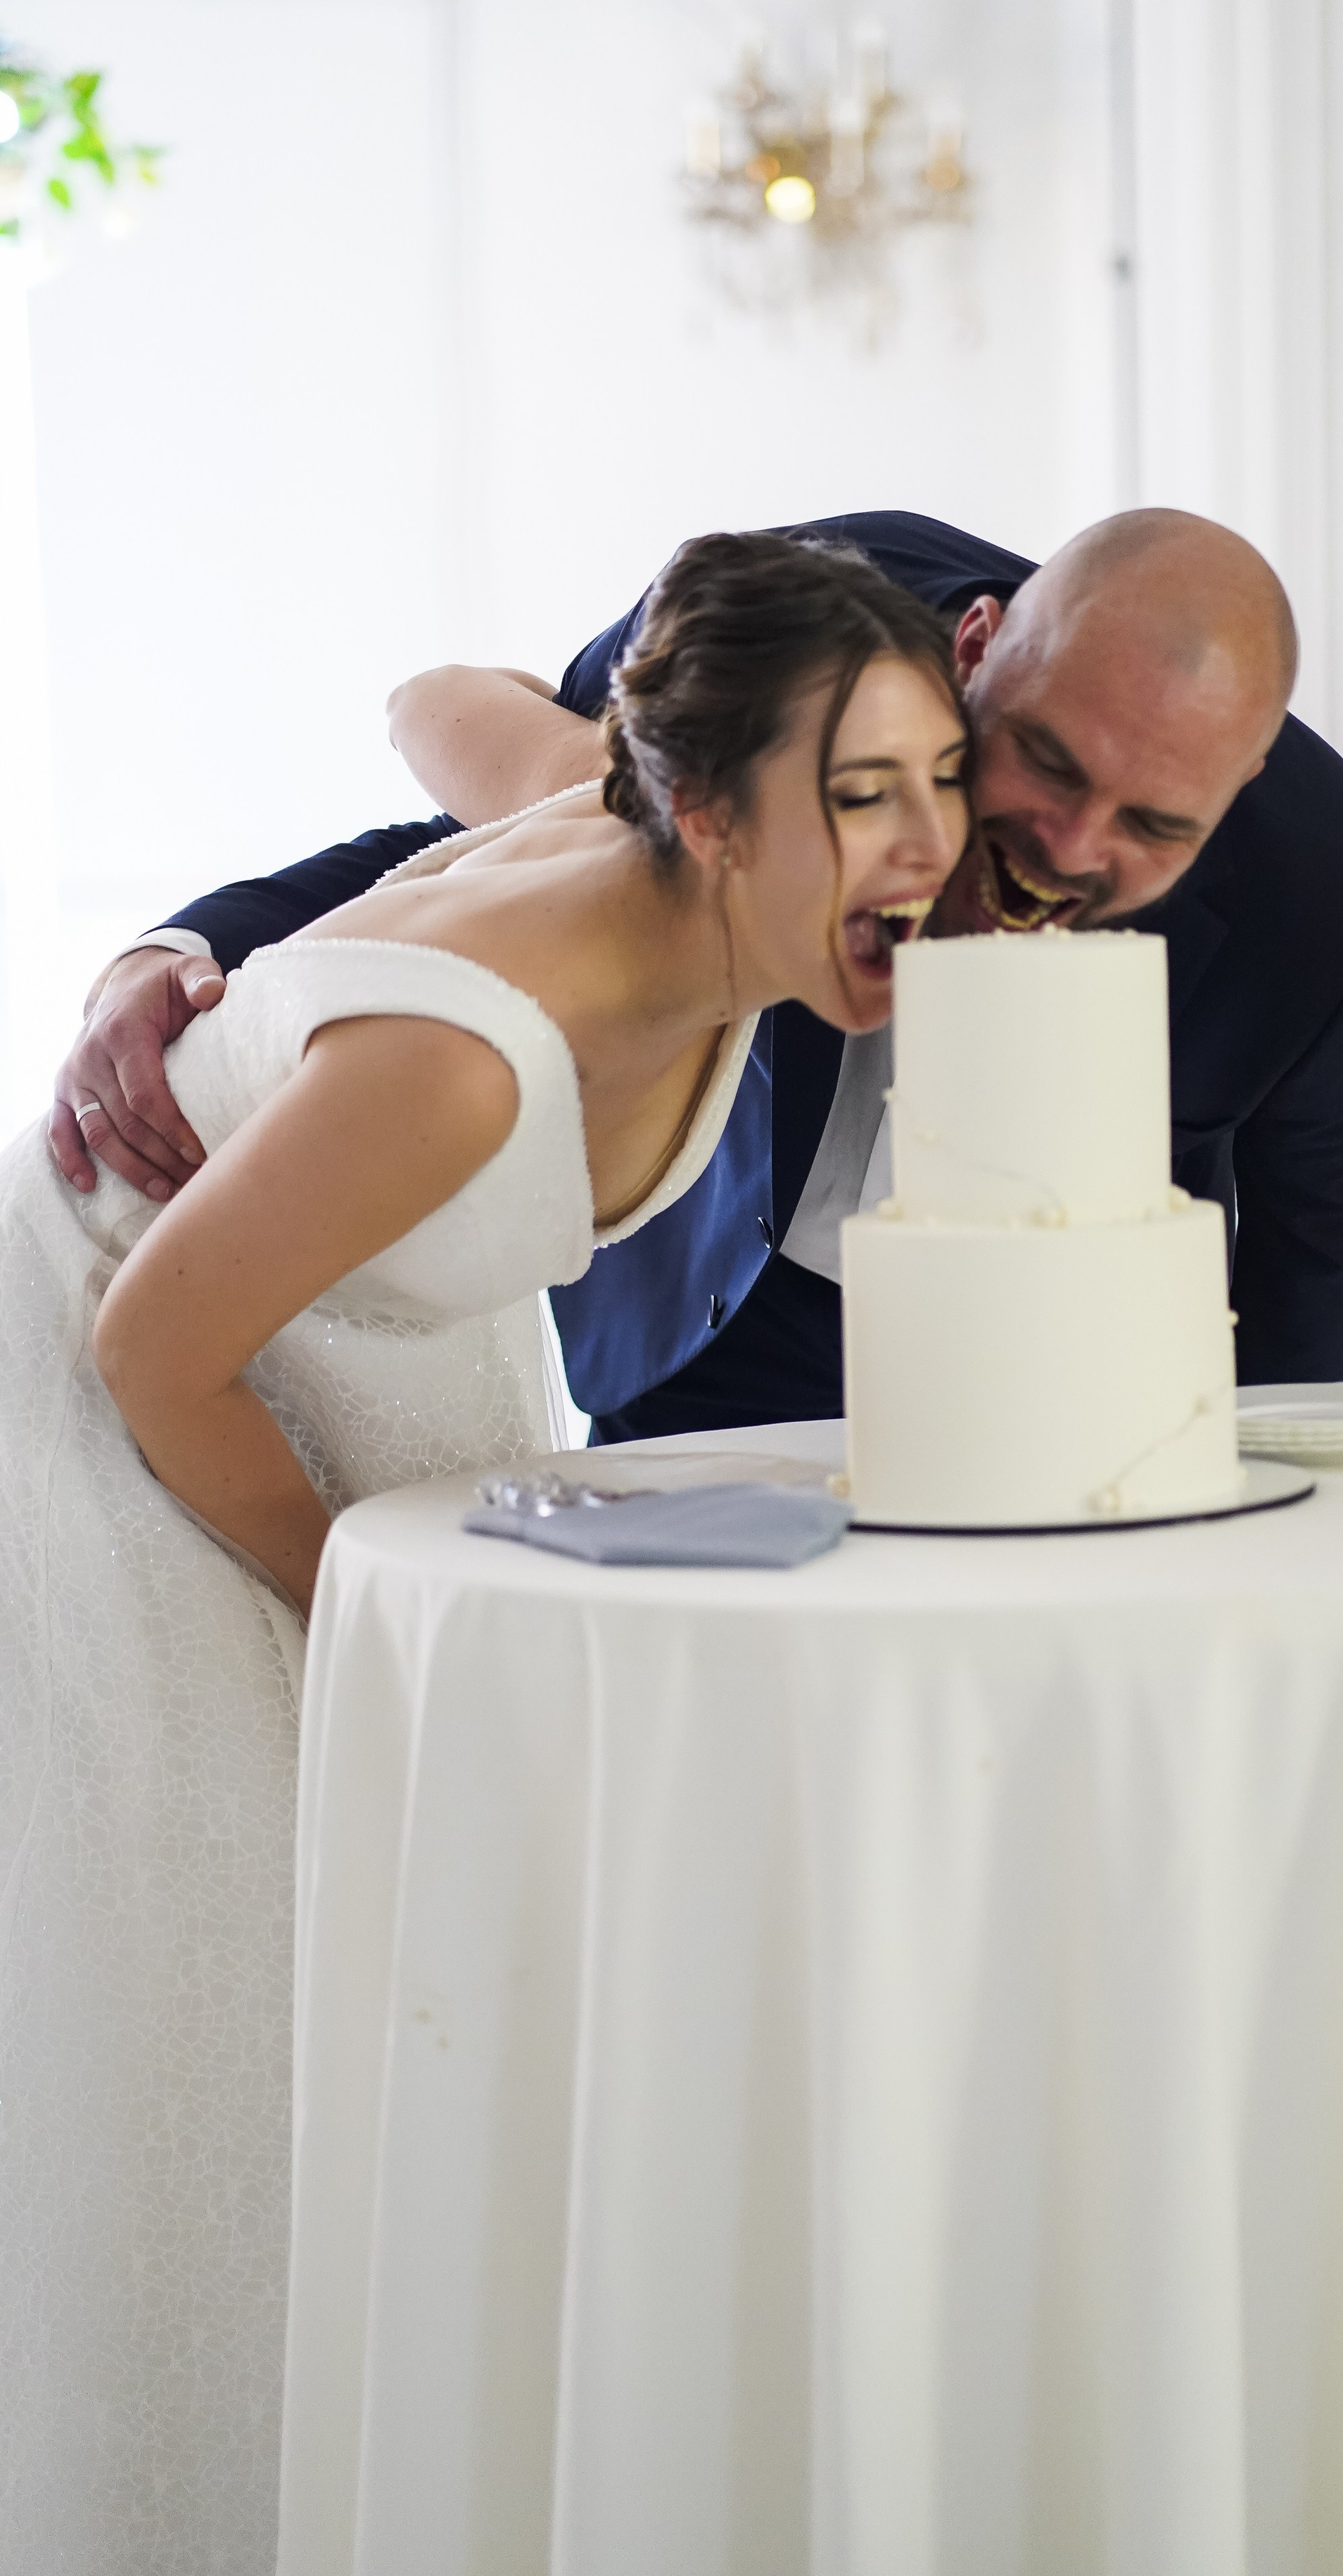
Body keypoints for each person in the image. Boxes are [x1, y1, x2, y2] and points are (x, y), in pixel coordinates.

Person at [0, 533, 970, 2575]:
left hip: (313, 1390)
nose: (926, 844)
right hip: (122, 1440)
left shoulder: (604, 802)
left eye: (940, 779)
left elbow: (442, 701)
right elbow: (152, 1348)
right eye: (861, 794)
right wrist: (391, 1624)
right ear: (707, 812)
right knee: (232, 2042)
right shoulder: (466, 1058)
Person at [50, 508, 1343, 1439]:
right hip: (707, 1309)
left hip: (1053, 1404)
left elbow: (1320, 1287)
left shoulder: (1336, 902)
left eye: (1155, 827)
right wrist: (175, 956)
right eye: (1047, 764)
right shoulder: (798, 648)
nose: (1069, 846)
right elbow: (513, 840)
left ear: (1238, 792)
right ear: (975, 649)